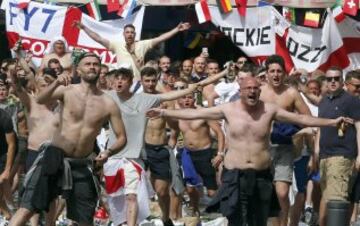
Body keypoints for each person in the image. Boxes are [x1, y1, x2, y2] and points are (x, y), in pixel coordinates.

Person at [146, 77, 349, 226]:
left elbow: (302, 119)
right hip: (235, 174)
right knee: (236, 218)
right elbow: (194, 113)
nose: (252, 91)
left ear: (259, 92)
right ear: (241, 91)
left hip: (261, 174)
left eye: (255, 88)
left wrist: (332, 122)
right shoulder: (228, 109)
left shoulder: (270, 110)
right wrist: (163, 111)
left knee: (259, 220)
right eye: (248, 88)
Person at [9, 52, 127, 226]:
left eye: (96, 64)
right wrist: (56, 81)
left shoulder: (108, 103)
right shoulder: (67, 90)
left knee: (85, 217)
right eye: (88, 64)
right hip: (54, 156)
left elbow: (122, 137)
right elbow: (40, 99)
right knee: (29, 206)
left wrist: (108, 151)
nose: (92, 67)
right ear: (78, 70)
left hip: (82, 162)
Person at [260, 55, 311, 226]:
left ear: (284, 73)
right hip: (261, 148)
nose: (275, 75)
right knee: (265, 193)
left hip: (285, 147)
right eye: (272, 71)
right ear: (266, 73)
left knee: (282, 193)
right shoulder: (258, 91)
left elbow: (307, 118)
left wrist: (298, 134)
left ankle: (284, 223)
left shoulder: (291, 92)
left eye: (279, 71)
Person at [9, 65, 61, 226]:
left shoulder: (62, 105)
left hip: (55, 155)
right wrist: (13, 74)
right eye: (43, 86)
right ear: (37, 88)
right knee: (30, 200)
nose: (47, 88)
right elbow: (17, 87)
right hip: (35, 154)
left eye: (50, 84)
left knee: (52, 196)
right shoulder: (32, 102)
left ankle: (50, 224)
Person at [316, 67, 360, 226]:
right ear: (325, 82)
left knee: (337, 202)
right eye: (329, 79)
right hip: (325, 157)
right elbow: (320, 128)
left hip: (342, 156)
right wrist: (316, 154)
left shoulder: (352, 100)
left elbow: (359, 126)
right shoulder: (323, 102)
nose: (333, 81)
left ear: (342, 81)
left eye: (336, 78)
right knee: (329, 202)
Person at [74, 22, 190, 81]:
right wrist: (84, 28)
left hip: (138, 82)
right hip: (121, 81)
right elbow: (98, 38)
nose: (130, 34)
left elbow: (161, 38)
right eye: (127, 32)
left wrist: (177, 29)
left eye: (132, 32)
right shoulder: (117, 44)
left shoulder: (142, 44)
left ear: (135, 34)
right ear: (123, 34)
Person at [175, 91, 225, 216]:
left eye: (189, 97)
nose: (186, 100)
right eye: (184, 98)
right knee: (190, 188)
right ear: (179, 100)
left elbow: (219, 133)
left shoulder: (203, 114)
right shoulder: (179, 115)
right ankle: (195, 211)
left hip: (204, 153)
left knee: (211, 192)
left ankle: (224, 212)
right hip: (187, 154)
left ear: (194, 99)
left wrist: (220, 154)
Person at [0, 108, 16, 224]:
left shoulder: (4, 117)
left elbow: (11, 144)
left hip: (4, 152)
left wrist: (7, 169)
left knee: (4, 182)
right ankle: (7, 215)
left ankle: (12, 212)